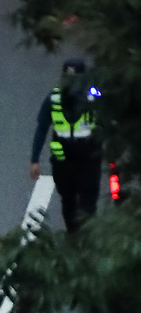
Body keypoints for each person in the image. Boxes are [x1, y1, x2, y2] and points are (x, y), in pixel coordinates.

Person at [31, 57, 103, 231]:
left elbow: (108, 121)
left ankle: (87, 241)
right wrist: (34, 159)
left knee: (88, 206)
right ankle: (73, 238)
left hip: (88, 161)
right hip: (63, 162)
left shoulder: (94, 96)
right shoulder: (54, 98)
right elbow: (42, 128)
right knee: (68, 202)